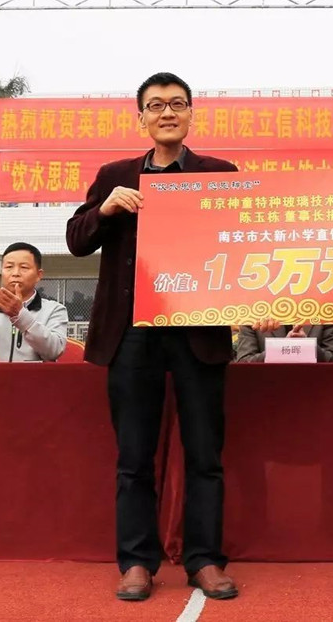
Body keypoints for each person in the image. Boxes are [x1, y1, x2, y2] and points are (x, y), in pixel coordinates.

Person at [66, 72, 239, 602]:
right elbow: (76, 241)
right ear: (141, 117)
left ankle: (205, 560)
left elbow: (241, 245)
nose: (168, 113)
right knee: (134, 457)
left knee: (205, 453)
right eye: (157, 105)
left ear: (191, 115)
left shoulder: (219, 174)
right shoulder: (115, 176)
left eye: (177, 104)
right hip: (132, 333)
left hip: (197, 330)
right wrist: (105, 209)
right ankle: (137, 562)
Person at [0, 242, 68, 362]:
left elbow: (54, 351)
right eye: (9, 267)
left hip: (33, 374)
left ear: (38, 275)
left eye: (24, 267)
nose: (15, 273)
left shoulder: (54, 310)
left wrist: (21, 315)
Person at [235, 319, 333, 362]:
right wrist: (283, 347)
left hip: (315, 392)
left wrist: (307, 346)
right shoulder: (254, 315)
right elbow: (244, 362)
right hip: (268, 391)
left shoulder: (325, 312)